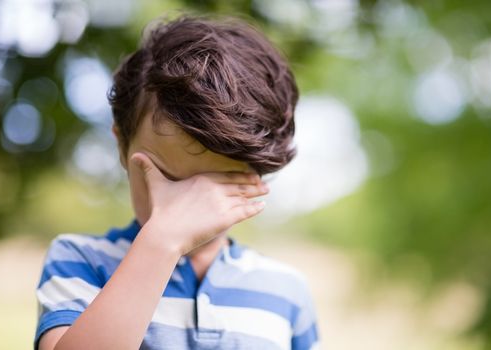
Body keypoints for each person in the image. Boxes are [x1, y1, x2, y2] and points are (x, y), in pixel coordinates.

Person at [34, 13, 320, 350]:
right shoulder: (80, 259)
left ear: (255, 172)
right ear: (122, 146)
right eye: (168, 176)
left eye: (219, 181)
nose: (189, 204)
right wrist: (162, 241)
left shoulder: (286, 290)